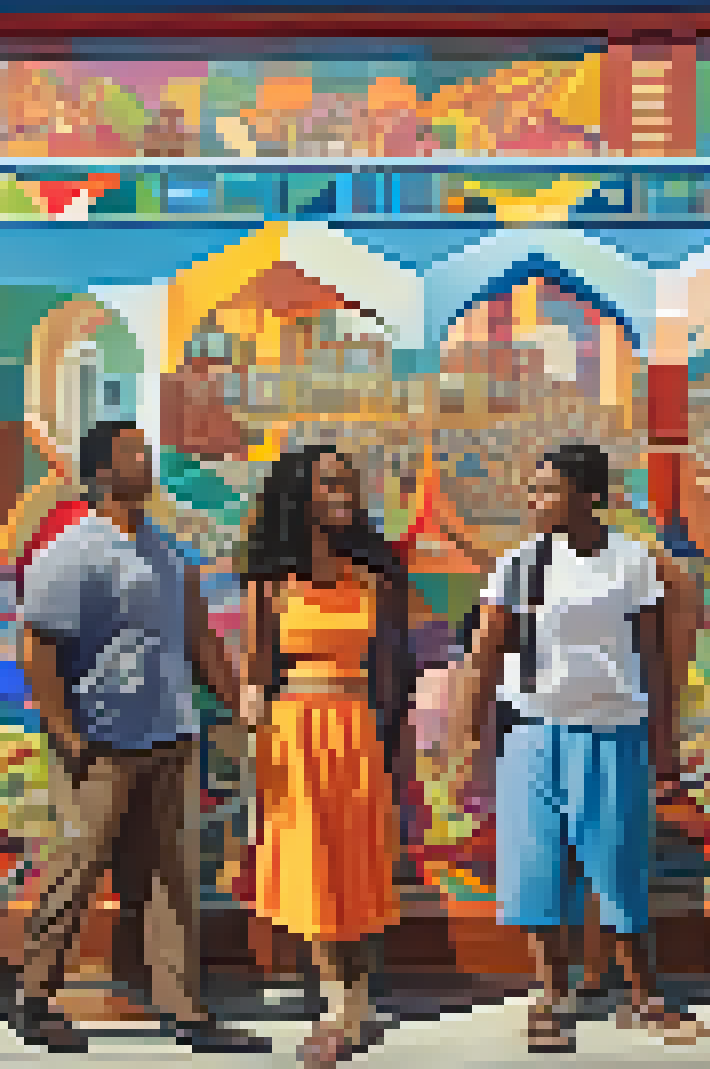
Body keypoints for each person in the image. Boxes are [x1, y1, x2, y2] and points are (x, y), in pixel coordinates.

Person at [11, 422, 261, 1053]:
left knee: (171, 877)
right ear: (100, 473)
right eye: (132, 454)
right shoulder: (73, 549)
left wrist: (238, 704)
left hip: (170, 733)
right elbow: (37, 643)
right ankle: (35, 996)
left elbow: (200, 635)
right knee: (78, 865)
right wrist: (65, 732)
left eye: (146, 451)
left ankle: (184, 1007)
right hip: (100, 739)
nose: (146, 462)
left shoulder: (165, 549)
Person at [454, 443, 710, 1053]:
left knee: (620, 864)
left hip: (616, 730)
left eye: (547, 489)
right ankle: (550, 996)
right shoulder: (517, 565)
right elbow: (487, 652)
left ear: (586, 494)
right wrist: (469, 739)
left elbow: (654, 656)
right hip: (533, 731)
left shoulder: (630, 563)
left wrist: (665, 739)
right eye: (534, 489)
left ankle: (644, 993)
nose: (534, 500)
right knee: (537, 865)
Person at [241, 445, 417, 1067]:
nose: (343, 493)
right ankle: (339, 1005)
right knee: (311, 865)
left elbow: (395, 669)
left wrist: (392, 742)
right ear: (300, 494)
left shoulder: (373, 575)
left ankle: (355, 998)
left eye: (348, 483)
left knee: (357, 862)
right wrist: (251, 741)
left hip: (356, 727)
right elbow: (256, 673)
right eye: (329, 484)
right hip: (291, 730)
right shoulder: (269, 580)